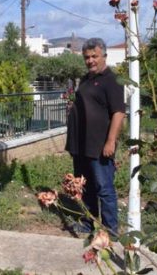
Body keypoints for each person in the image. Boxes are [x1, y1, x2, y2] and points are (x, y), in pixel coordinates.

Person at [65, 38, 126, 235]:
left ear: (104, 56)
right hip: (81, 145)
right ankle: (87, 223)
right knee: (85, 187)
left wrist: (110, 141)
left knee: (104, 189)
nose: (90, 60)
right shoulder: (85, 80)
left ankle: (110, 231)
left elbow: (118, 112)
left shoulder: (112, 80)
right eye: (87, 57)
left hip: (99, 146)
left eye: (94, 56)